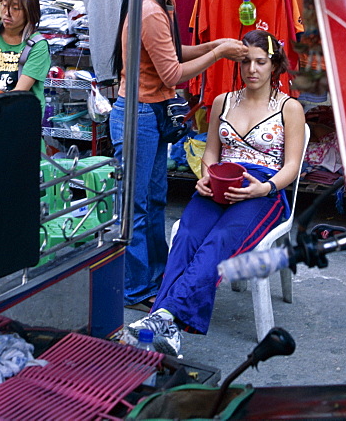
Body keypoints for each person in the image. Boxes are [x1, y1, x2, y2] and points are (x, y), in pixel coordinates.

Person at [127, 30, 304, 355]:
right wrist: (206, 176)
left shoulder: (289, 108)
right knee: (187, 234)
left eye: (260, 62)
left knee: (220, 239)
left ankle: (165, 315)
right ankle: (166, 321)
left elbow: (291, 167)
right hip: (220, 183)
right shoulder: (224, 101)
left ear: (274, 65)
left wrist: (263, 188)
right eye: (245, 62)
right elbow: (211, 152)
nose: (252, 69)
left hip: (264, 191)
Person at [110, 0, 248, 312]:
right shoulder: (150, 11)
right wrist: (220, 51)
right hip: (137, 115)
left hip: (152, 114)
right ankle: (136, 289)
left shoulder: (164, 3)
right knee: (137, 207)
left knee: (154, 201)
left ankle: (154, 279)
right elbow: (172, 73)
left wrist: (216, 44)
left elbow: (174, 51)